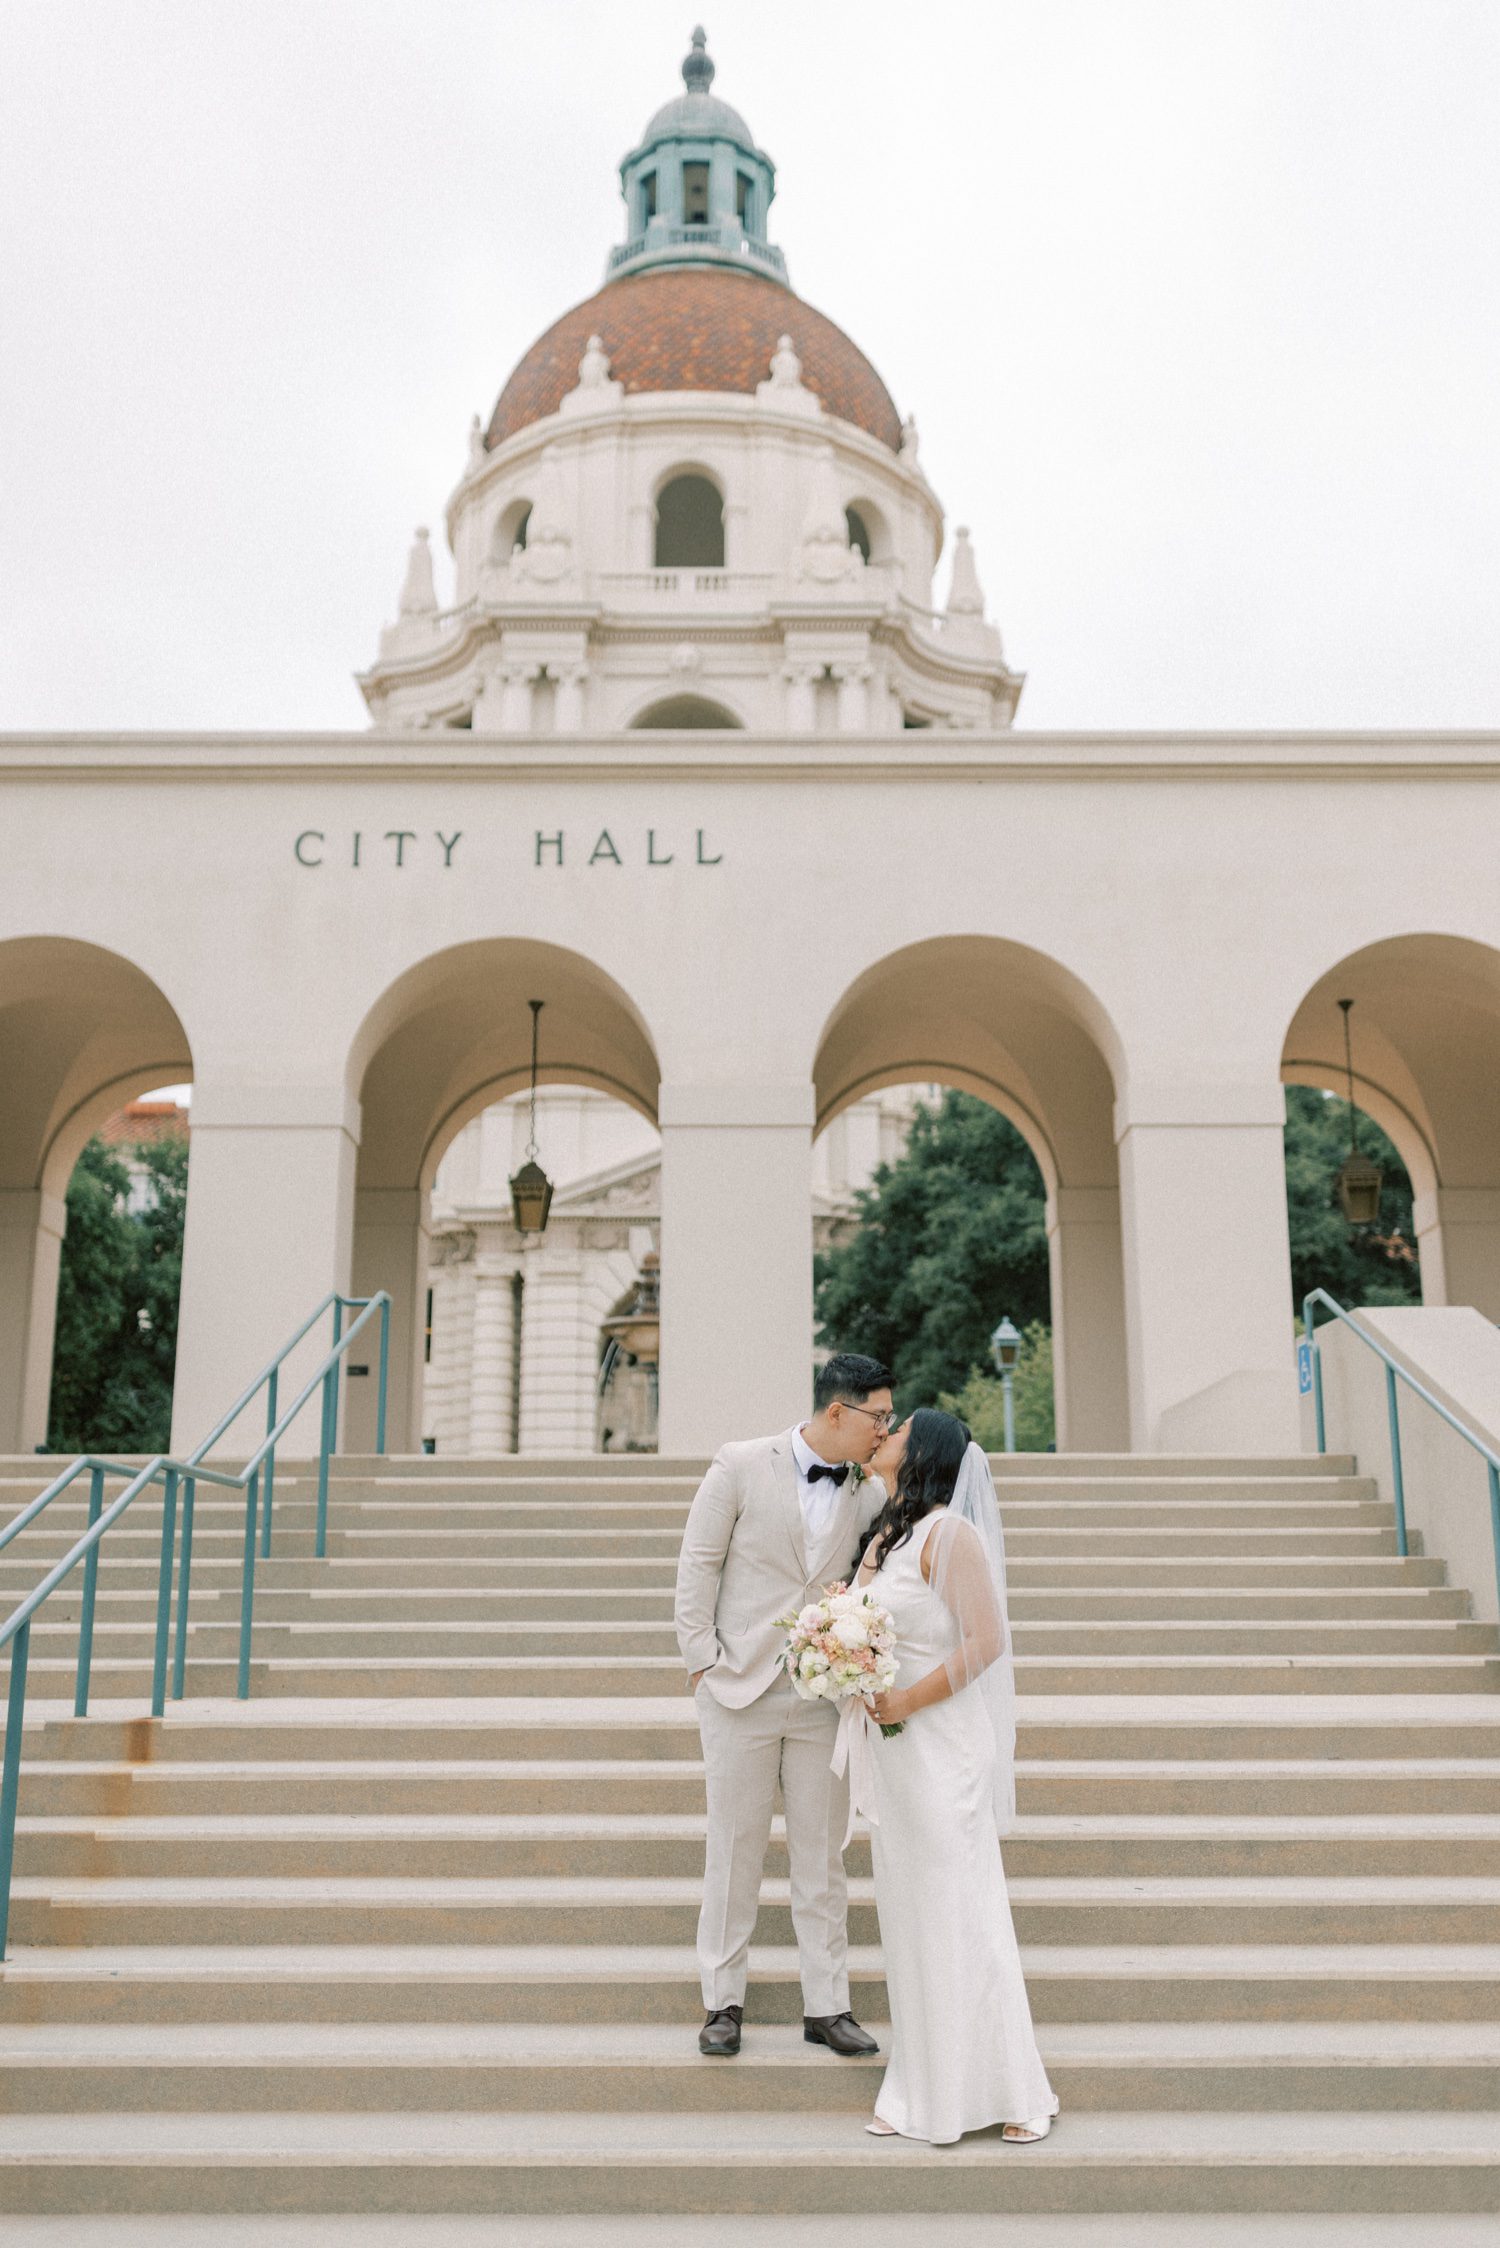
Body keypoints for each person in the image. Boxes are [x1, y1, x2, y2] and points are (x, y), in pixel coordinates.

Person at [674, 1353, 893, 2058]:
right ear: (839, 1411)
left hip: (821, 1699)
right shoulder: (740, 1464)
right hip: (737, 1689)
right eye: (878, 1416)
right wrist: (702, 1660)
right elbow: (698, 1563)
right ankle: (723, 2002)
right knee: (733, 1850)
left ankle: (827, 2006)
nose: (883, 1430)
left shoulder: (868, 1493)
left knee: (822, 1857)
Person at [854, 1406, 1058, 2145]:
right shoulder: (883, 1535)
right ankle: (918, 2086)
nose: (884, 1434)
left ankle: (1013, 2088)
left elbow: (985, 1642)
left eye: (898, 1429)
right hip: (895, 1753)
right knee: (909, 1915)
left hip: (942, 1746)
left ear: (925, 1452)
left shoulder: (950, 1533)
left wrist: (905, 1697)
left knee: (961, 1909)